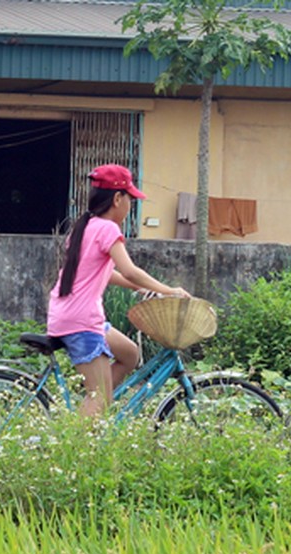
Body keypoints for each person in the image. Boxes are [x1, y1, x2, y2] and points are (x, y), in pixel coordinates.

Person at [47, 164, 189, 417]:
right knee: (100, 396)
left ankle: (93, 408)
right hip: (82, 321)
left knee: (130, 354)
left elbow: (102, 273)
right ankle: (80, 434)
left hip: (66, 314)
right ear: (117, 198)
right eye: (130, 200)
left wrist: (139, 288)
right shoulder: (108, 229)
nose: (129, 206)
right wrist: (169, 290)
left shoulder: (84, 227)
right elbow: (130, 269)